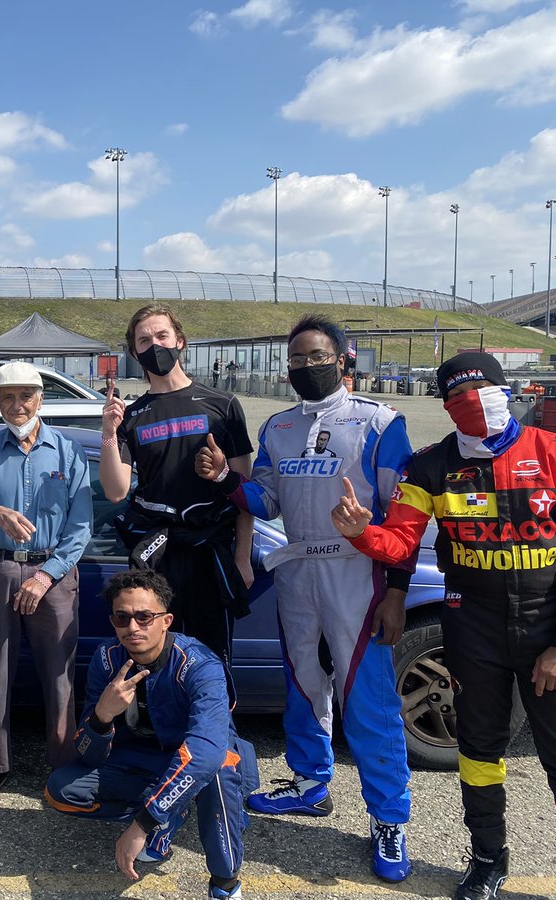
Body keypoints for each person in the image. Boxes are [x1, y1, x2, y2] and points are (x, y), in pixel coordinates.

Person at [195, 314, 415, 883]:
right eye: (296, 359)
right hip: (298, 571)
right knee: (302, 684)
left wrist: (395, 591)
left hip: (355, 571)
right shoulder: (278, 427)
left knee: (366, 698)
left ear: (344, 359)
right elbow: (263, 498)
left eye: (318, 356)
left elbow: (404, 520)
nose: (306, 366)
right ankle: (311, 784)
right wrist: (225, 478)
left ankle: (389, 819)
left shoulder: (382, 423)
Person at [332, 351, 556, 900]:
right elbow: (401, 542)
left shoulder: (549, 452)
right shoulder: (430, 465)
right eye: (457, 402)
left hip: (546, 627)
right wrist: (362, 533)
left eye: (483, 395)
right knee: (479, 752)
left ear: (509, 393)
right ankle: (486, 860)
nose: (473, 409)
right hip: (471, 626)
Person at [45, 569, 254, 900]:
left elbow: (206, 751)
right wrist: (103, 715)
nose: (132, 627)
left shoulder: (200, 665)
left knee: (219, 771)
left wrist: (143, 822)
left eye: (144, 616)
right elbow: (86, 752)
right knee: (60, 790)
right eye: (122, 617)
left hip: (196, 759)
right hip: (139, 758)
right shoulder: (106, 658)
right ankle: (173, 810)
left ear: (166, 620)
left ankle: (225, 884)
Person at [0, 362, 91, 808]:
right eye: (7, 397)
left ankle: (63, 764)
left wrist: (46, 575)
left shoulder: (68, 452)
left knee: (60, 675)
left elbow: (81, 525)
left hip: (52, 574)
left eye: (25, 397)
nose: (16, 406)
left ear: (40, 399)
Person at [99, 304, 254, 667]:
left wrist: (242, 558)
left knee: (211, 660)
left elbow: (245, 491)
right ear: (135, 352)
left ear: (180, 341)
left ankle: (212, 724)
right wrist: (108, 432)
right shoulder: (131, 416)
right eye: (144, 340)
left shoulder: (223, 405)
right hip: (156, 555)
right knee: (154, 658)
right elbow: (115, 491)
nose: (155, 345)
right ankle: (161, 722)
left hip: (210, 552)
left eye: (162, 335)